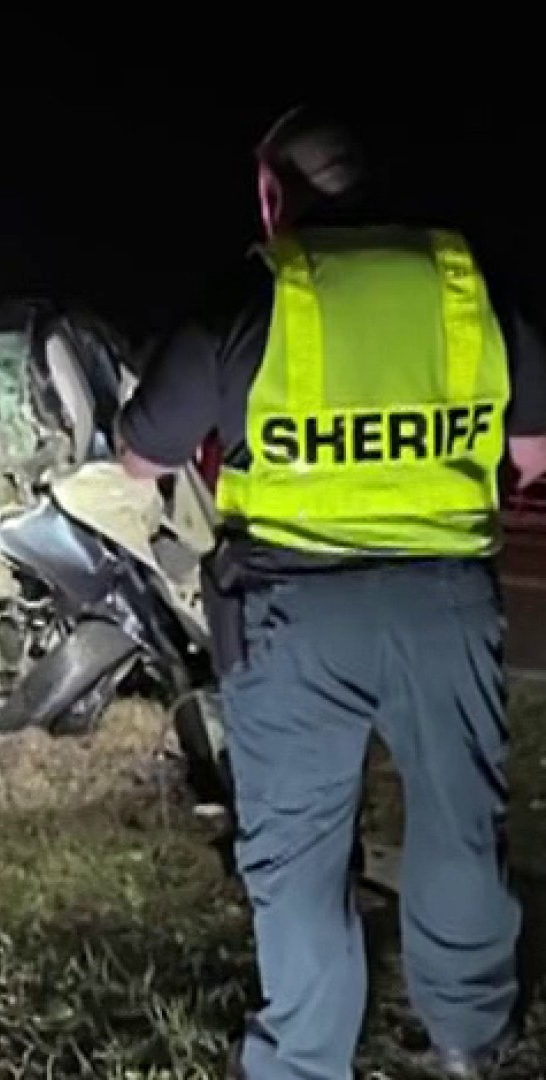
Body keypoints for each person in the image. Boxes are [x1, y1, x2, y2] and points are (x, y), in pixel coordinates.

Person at [117, 107, 546, 1080]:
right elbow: (533, 452)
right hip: (444, 601)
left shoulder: (258, 291)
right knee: (457, 826)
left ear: (274, 193)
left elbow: (143, 454)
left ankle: (305, 1059)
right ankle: (471, 1038)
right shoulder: (465, 281)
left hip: (293, 614)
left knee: (300, 856)